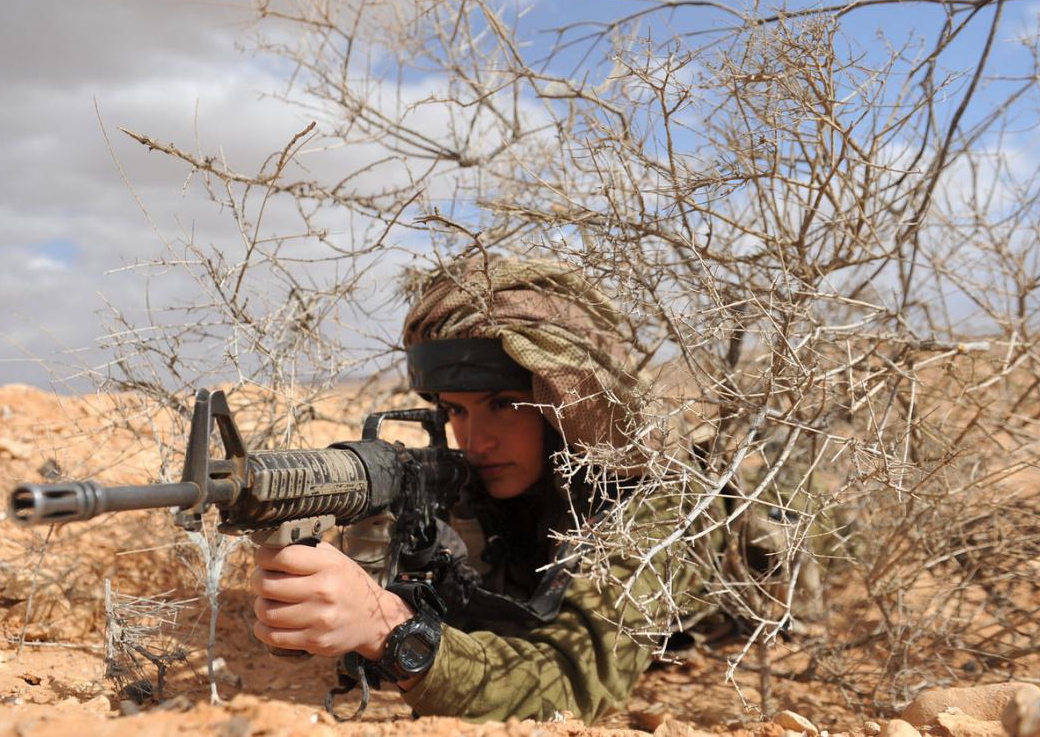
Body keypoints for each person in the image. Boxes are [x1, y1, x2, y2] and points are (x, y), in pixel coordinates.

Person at [251, 257, 711, 723]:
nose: (475, 441)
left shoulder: (654, 501)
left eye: (504, 404)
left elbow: (570, 683)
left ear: (566, 409)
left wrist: (388, 629)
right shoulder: (476, 483)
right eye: (456, 410)